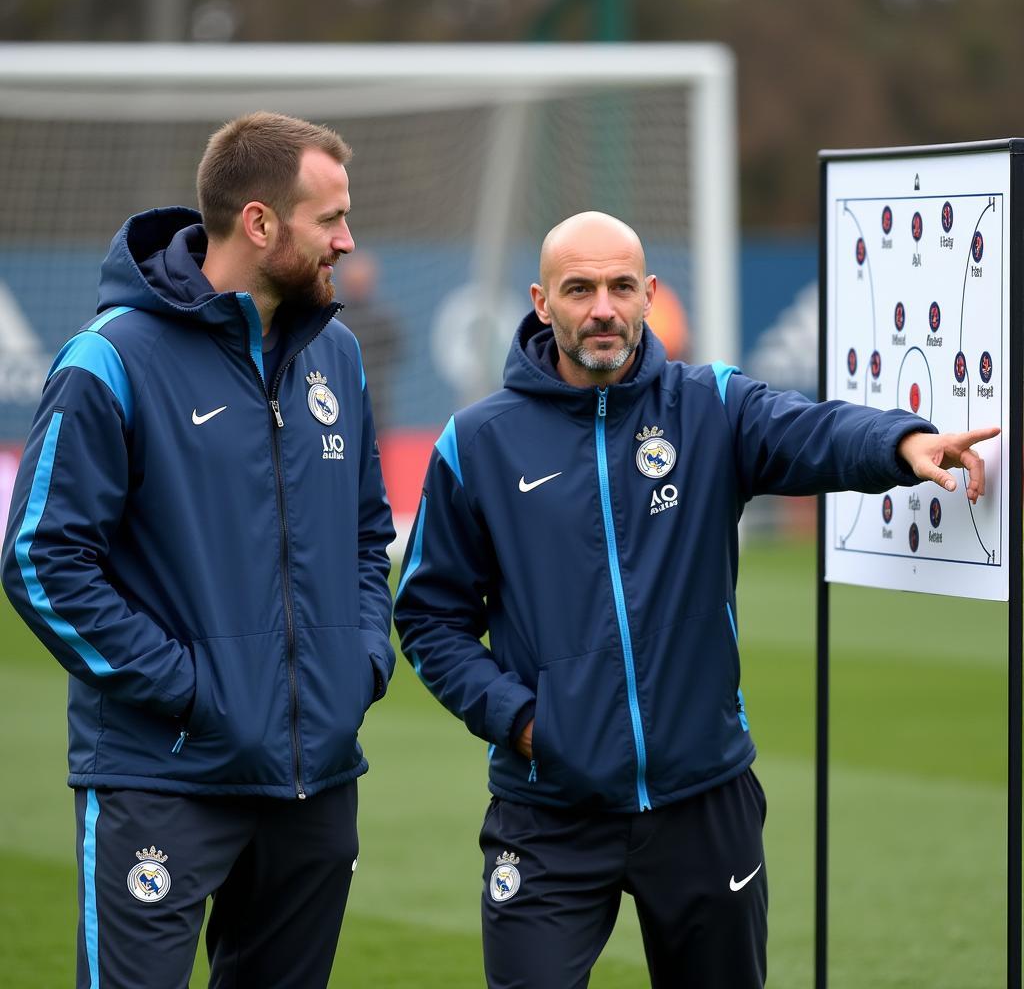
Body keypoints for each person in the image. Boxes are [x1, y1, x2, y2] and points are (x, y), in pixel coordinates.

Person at [392, 211, 998, 989]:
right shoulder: (476, 442)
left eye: (619, 287)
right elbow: (429, 618)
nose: (602, 308)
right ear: (543, 303)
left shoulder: (709, 405)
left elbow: (811, 430)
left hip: (703, 799)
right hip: (548, 813)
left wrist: (901, 444)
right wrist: (523, 722)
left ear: (650, 294)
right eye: (579, 289)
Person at [1, 112, 396, 989]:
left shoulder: (337, 354)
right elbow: (39, 559)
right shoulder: (109, 360)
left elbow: (369, 535)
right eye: (328, 218)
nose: (347, 239)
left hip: (314, 783)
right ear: (259, 223)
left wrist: (359, 663)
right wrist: (188, 689)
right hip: (162, 776)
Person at [336, 250, 401, 430]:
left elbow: (397, 352)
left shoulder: (382, 318)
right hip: (338, 395)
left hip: (374, 398)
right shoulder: (332, 316)